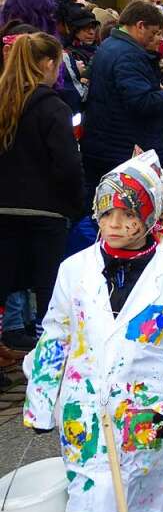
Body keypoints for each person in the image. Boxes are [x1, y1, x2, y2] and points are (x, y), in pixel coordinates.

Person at [23, 153, 163, 512]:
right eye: (107, 213)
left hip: (144, 417)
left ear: (148, 217)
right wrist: (39, 403)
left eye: (129, 214)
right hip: (84, 416)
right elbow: (55, 336)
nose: (117, 224)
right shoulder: (75, 270)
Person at [0, 33, 83, 350]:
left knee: (3, 285)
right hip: (45, 209)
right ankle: (49, 356)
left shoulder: (5, 99)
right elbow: (67, 163)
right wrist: (75, 204)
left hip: (4, 207)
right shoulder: (53, 108)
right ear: (49, 63)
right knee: (48, 287)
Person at [81, 0, 163, 199]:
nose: (159, 39)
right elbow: (141, 103)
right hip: (124, 149)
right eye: (155, 32)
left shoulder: (109, 45)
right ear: (140, 25)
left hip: (105, 143)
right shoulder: (129, 55)